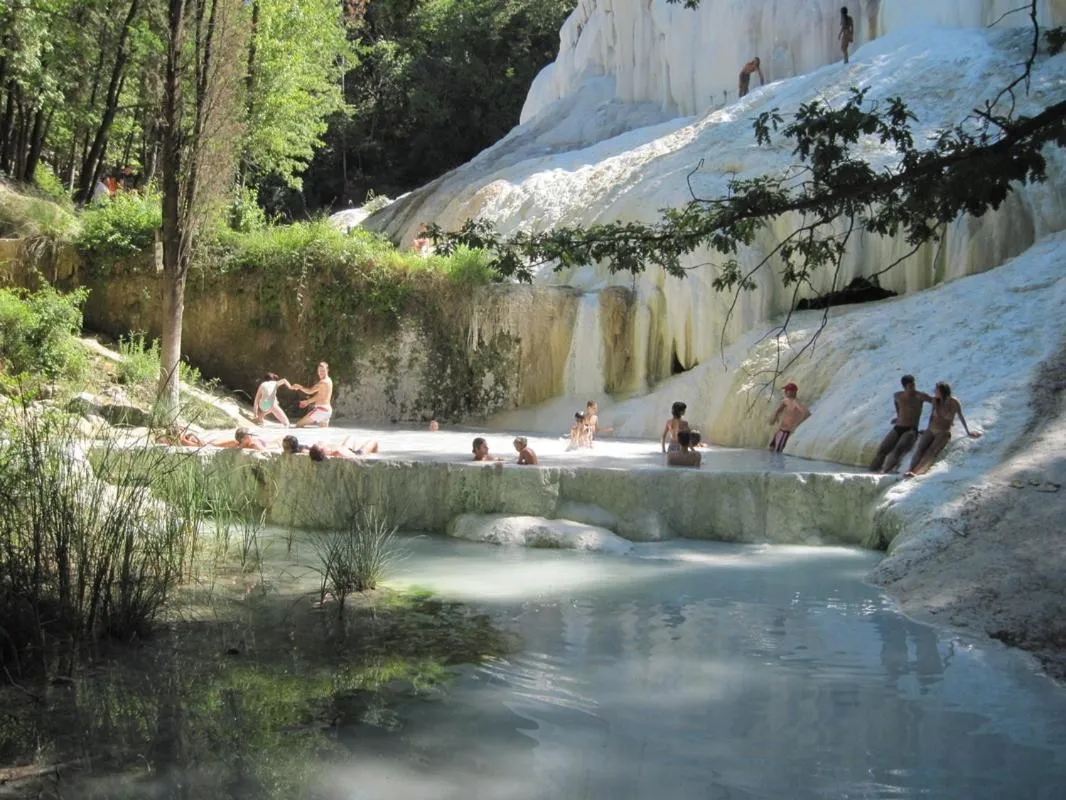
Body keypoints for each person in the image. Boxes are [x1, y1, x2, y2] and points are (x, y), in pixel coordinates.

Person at [905, 382, 981, 477]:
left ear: (943, 391)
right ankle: (909, 469)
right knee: (920, 448)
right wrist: (926, 429)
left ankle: (916, 471)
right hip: (931, 429)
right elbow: (931, 417)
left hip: (943, 432)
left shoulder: (954, 402)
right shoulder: (935, 401)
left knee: (931, 451)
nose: (935, 392)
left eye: (937, 390)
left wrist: (968, 432)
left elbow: (961, 416)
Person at [869, 375, 933, 473]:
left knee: (898, 449)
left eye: (914, 385)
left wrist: (933, 424)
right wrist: (898, 416)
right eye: (910, 387)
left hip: (911, 429)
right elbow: (897, 404)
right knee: (882, 449)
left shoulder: (920, 396)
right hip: (898, 427)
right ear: (904, 387)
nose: (913, 388)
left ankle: (885, 473)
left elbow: (936, 403)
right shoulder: (898, 396)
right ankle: (871, 472)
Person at [768, 383, 810, 453]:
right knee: (771, 449)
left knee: (778, 452)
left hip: (787, 432)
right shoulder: (786, 400)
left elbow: (806, 413)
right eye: (785, 390)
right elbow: (778, 410)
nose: (785, 392)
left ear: (793, 392)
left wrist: (798, 424)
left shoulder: (796, 402)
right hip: (780, 430)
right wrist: (774, 418)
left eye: (787, 390)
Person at [292, 361, 333, 428]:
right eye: (319, 371)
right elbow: (320, 396)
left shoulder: (322, 382)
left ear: (327, 370)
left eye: (323, 371)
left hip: (321, 410)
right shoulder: (329, 380)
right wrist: (308, 402)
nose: (320, 373)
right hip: (327, 411)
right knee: (323, 434)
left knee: (298, 425)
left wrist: (300, 387)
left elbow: (310, 391)